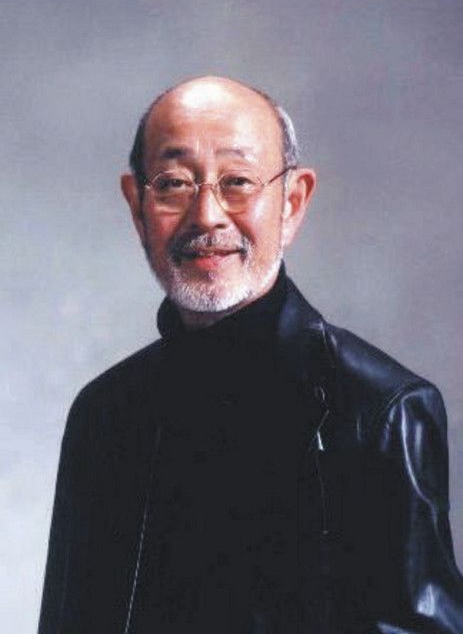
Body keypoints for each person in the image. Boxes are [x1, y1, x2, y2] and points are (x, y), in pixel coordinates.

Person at [38, 76, 463, 633]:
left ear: (292, 202)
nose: (207, 215)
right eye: (173, 183)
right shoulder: (104, 413)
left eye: (237, 181)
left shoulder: (380, 412)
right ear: (137, 206)